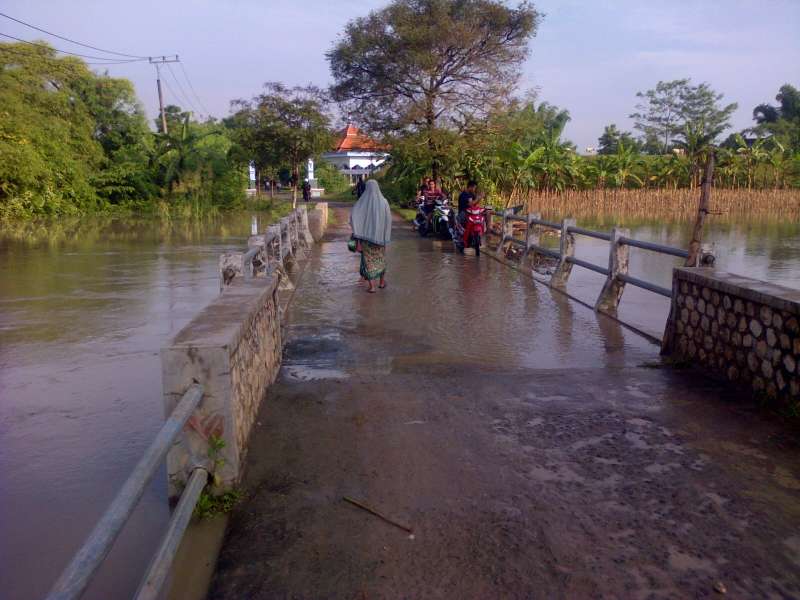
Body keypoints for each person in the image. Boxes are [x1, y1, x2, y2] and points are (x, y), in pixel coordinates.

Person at [350, 180, 392, 293]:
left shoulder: (361, 202)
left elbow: (353, 217)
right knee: (381, 259)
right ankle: (382, 282)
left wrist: (358, 236)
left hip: (366, 239)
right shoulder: (384, 202)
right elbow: (388, 220)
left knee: (368, 261)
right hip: (380, 238)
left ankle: (372, 287)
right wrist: (385, 236)